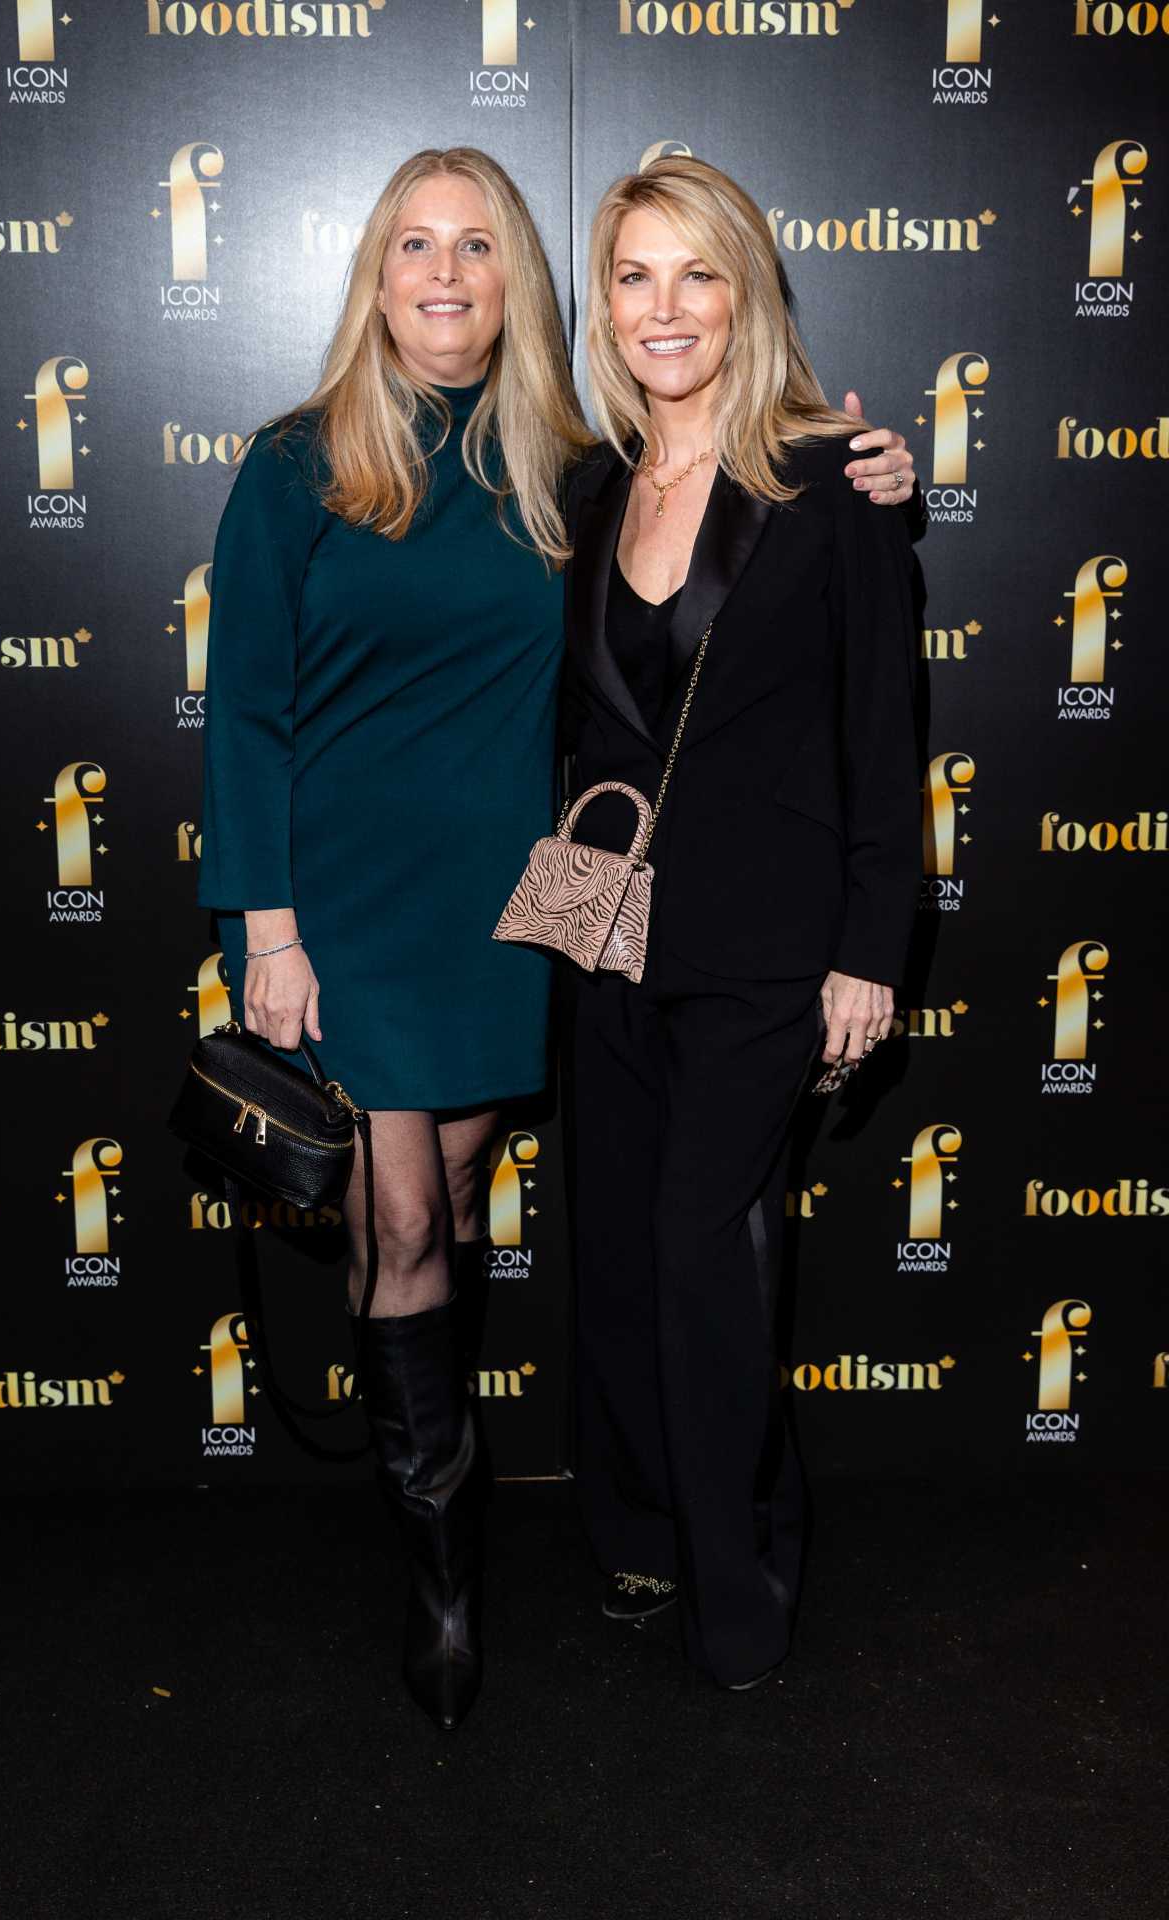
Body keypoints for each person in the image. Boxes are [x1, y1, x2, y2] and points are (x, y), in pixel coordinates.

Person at [197, 143, 917, 1732]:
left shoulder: (561, 466)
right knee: (403, 1220)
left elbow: (784, 587)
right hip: (354, 910)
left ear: (519, 280)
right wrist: (266, 925)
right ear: (375, 273)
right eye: (414, 245)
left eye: (478, 245)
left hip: (532, 911)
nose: (445, 274)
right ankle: (445, 1577)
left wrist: (877, 461)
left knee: (477, 1202)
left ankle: (656, 1538)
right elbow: (240, 707)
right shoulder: (300, 463)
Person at [564, 155, 922, 1691]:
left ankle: (742, 1587)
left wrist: (870, 950)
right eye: (635, 275)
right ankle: (646, 1526)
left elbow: (884, 730)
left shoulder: (831, 480)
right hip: (602, 929)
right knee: (615, 1258)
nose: (666, 308)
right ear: (604, 304)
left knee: (701, 1252)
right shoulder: (585, 486)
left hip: (771, 947)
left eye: (697, 273)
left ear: (746, 294)